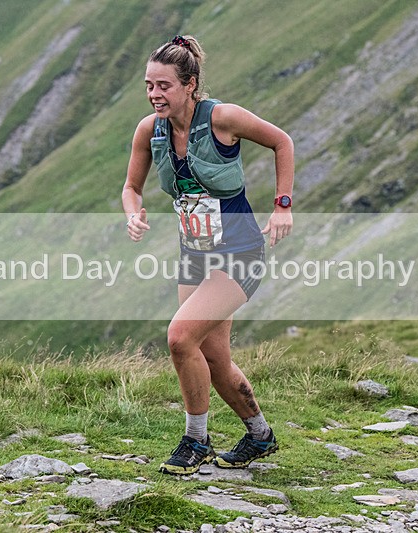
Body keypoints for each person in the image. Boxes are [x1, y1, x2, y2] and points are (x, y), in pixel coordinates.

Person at [122, 35, 294, 475]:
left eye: (163, 86)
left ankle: (195, 441)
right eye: (149, 85)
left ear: (190, 84)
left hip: (240, 251)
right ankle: (259, 435)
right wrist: (133, 214)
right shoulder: (150, 129)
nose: (154, 94)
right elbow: (131, 188)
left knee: (179, 337)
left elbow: (282, 142)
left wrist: (281, 206)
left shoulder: (223, 117)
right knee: (214, 359)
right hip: (194, 253)